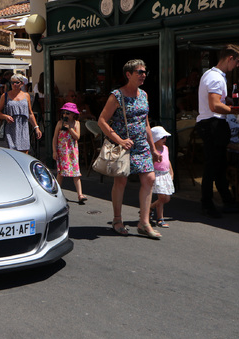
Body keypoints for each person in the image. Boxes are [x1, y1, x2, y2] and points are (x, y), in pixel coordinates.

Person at [98, 59, 162, 239]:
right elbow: (102, 121)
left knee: (149, 178)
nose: (143, 75)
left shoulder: (144, 95)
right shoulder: (117, 96)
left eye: (144, 72)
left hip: (141, 144)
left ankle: (144, 222)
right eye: (139, 72)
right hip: (122, 146)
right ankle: (117, 220)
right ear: (128, 74)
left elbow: (146, 123)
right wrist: (120, 140)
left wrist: (153, 148)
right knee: (121, 181)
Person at [196, 44, 239, 217]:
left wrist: (229, 103)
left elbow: (216, 102)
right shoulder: (216, 78)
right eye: (237, 61)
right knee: (212, 165)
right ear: (230, 58)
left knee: (218, 165)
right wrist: (235, 110)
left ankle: (227, 201)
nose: (238, 65)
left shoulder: (212, 75)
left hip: (212, 123)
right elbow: (214, 105)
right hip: (213, 124)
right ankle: (207, 204)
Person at [0, 73, 42, 154]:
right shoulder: (5, 96)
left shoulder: (26, 95)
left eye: (17, 82)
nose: (14, 84)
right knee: (12, 154)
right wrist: (5, 116)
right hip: (10, 128)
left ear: (22, 84)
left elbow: (30, 113)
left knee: (24, 153)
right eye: (12, 82)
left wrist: (36, 127)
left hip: (23, 127)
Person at [53, 102, 86, 204]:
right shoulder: (59, 123)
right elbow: (54, 138)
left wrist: (70, 128)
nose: (65, 115)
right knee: (60, 173)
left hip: (72, 151)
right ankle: (57, 193)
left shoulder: (76, 124)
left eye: (68, 113)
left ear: (73, 114)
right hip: (62, 151)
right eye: (64, 113)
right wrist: (54, 151)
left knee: (76, 173)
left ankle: (80, 194)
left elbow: (77, 137)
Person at [149, 126, 175, 228]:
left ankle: (150, 207)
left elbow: (167, 160)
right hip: (157, 174)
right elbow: (150, 163)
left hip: (165, 174)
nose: (165, 139)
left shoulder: (166, 149)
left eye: (165, 137)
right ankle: (160, 218)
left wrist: (171, 172)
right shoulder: (153, 150)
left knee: (166, 198)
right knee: (162, 197)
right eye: (162, 137)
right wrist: (154, 160)